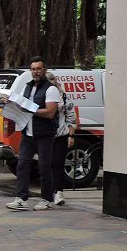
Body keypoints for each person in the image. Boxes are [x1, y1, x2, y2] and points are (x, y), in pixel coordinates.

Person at [6, 57, 59, 211]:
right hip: (27, 133)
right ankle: (21, 198)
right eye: (33, 69)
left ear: (45, 70)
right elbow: (20, 104)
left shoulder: (51, 89)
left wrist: (30, 109)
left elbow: (50, 112)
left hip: (44, 134)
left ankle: (47, 199)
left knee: (44, 167)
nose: (35, 72)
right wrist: (10, 102)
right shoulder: (27, 87)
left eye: (38, 68)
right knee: (22, 165)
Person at [47, 71, 77, 206]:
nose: (50, 83)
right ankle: (48, 192)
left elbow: (71, 118)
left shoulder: (64, 98)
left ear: (55, 81)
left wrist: (71, 135)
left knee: (57, 164)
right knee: (46, 164)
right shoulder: (41, 97)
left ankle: (58, 192)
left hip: (60, 135)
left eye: (51, 80)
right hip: (45, 136)